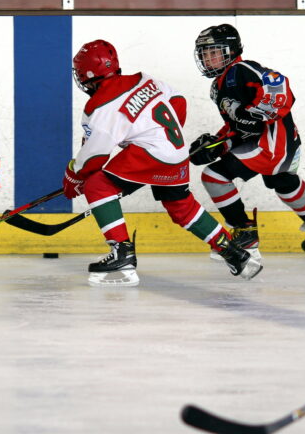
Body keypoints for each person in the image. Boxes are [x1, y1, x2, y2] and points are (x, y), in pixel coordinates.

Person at [63, 39, 262, 286]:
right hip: (176, 151)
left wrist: (74, 176)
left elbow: (94, 158)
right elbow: (178, 101)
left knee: (97, 186)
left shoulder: (98, 106)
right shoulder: (145, 79)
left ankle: (122, 255)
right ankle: (233, 253)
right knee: (180, 205)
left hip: (150, 154)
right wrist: (158, 132)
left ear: (86, 75)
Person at [189, 23, 305, 263]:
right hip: (282, 145)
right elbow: (238, 126)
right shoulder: (218, 86)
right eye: (204, 54)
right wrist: (219, 144)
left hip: (271, 146)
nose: (208, 59)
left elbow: (278, 86)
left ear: (231, 51)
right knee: (284, 183)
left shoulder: (241, 69)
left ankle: (245, 235)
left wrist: (253, 114)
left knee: (214, 176)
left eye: (214, 52)